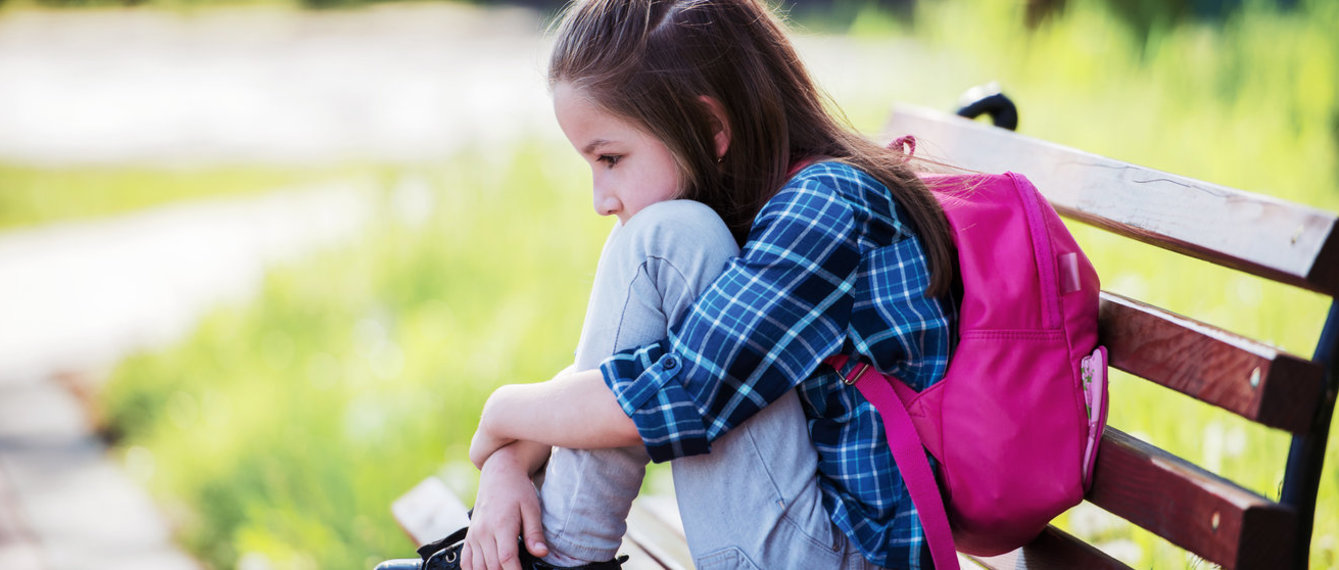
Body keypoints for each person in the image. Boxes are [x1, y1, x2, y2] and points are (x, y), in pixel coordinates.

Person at [382, 0, 959, 568]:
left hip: (851, 555)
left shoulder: (825, 207)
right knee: (674, 236)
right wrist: (509, 461)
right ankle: (556, 556)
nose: (600, 199)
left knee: (666, 236)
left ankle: (558, 559)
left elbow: (678, 393)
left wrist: (503, 410)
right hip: (810, 540)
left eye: (610, 158)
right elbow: (647, 372)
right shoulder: (780, 200)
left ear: (710, 128)